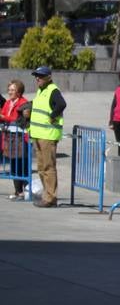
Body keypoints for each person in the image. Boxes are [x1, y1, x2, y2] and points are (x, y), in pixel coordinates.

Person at [27, 67, 65, 208]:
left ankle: (51, 197)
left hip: (48, 136)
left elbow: (61, 104)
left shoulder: (53, 90)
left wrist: (52, 116)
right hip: (38, 134)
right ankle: (46, 195)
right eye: (36, 76)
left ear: (49, 77)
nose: (38, 78)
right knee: (41, 167)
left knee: (48, 167)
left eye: (41, 76)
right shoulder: (41, 90)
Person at [1, 79, 30, 201]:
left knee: (21, 163)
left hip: (20, 137)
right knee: (13, 163)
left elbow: (17, 119)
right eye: (9, 90)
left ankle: (24, 190)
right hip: (9, 137)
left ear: (19, 92)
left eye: (12, 90)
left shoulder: (24, 103)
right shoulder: (8, 103)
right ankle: (17, 191)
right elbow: (3, 114)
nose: (10, 92)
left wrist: (3, 117)